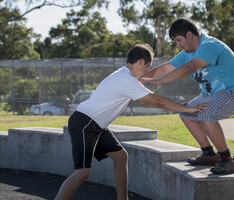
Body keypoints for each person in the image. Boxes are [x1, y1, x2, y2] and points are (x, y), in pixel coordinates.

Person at [54, 44, 208, 200]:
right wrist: (186, 109)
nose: (146, 72)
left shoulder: (123, 76)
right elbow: (157, 101)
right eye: (147, 68)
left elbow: (149, 101)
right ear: (141, 62)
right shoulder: (125, 80)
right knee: (82, 172)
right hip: (85, 124)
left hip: (95, 125)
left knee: (121, 157)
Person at [142, 18, 234, 174]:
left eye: (178, 40)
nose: (178, 45)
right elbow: (166, 68)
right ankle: (209, 154)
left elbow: (191, 67)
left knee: (206, 114)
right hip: (216, 93)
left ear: (189, 35)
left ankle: (228, 160)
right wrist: (140, 78)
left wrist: (161, 81)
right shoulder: (187, 53)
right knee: (186, 112)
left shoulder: (210, 45)